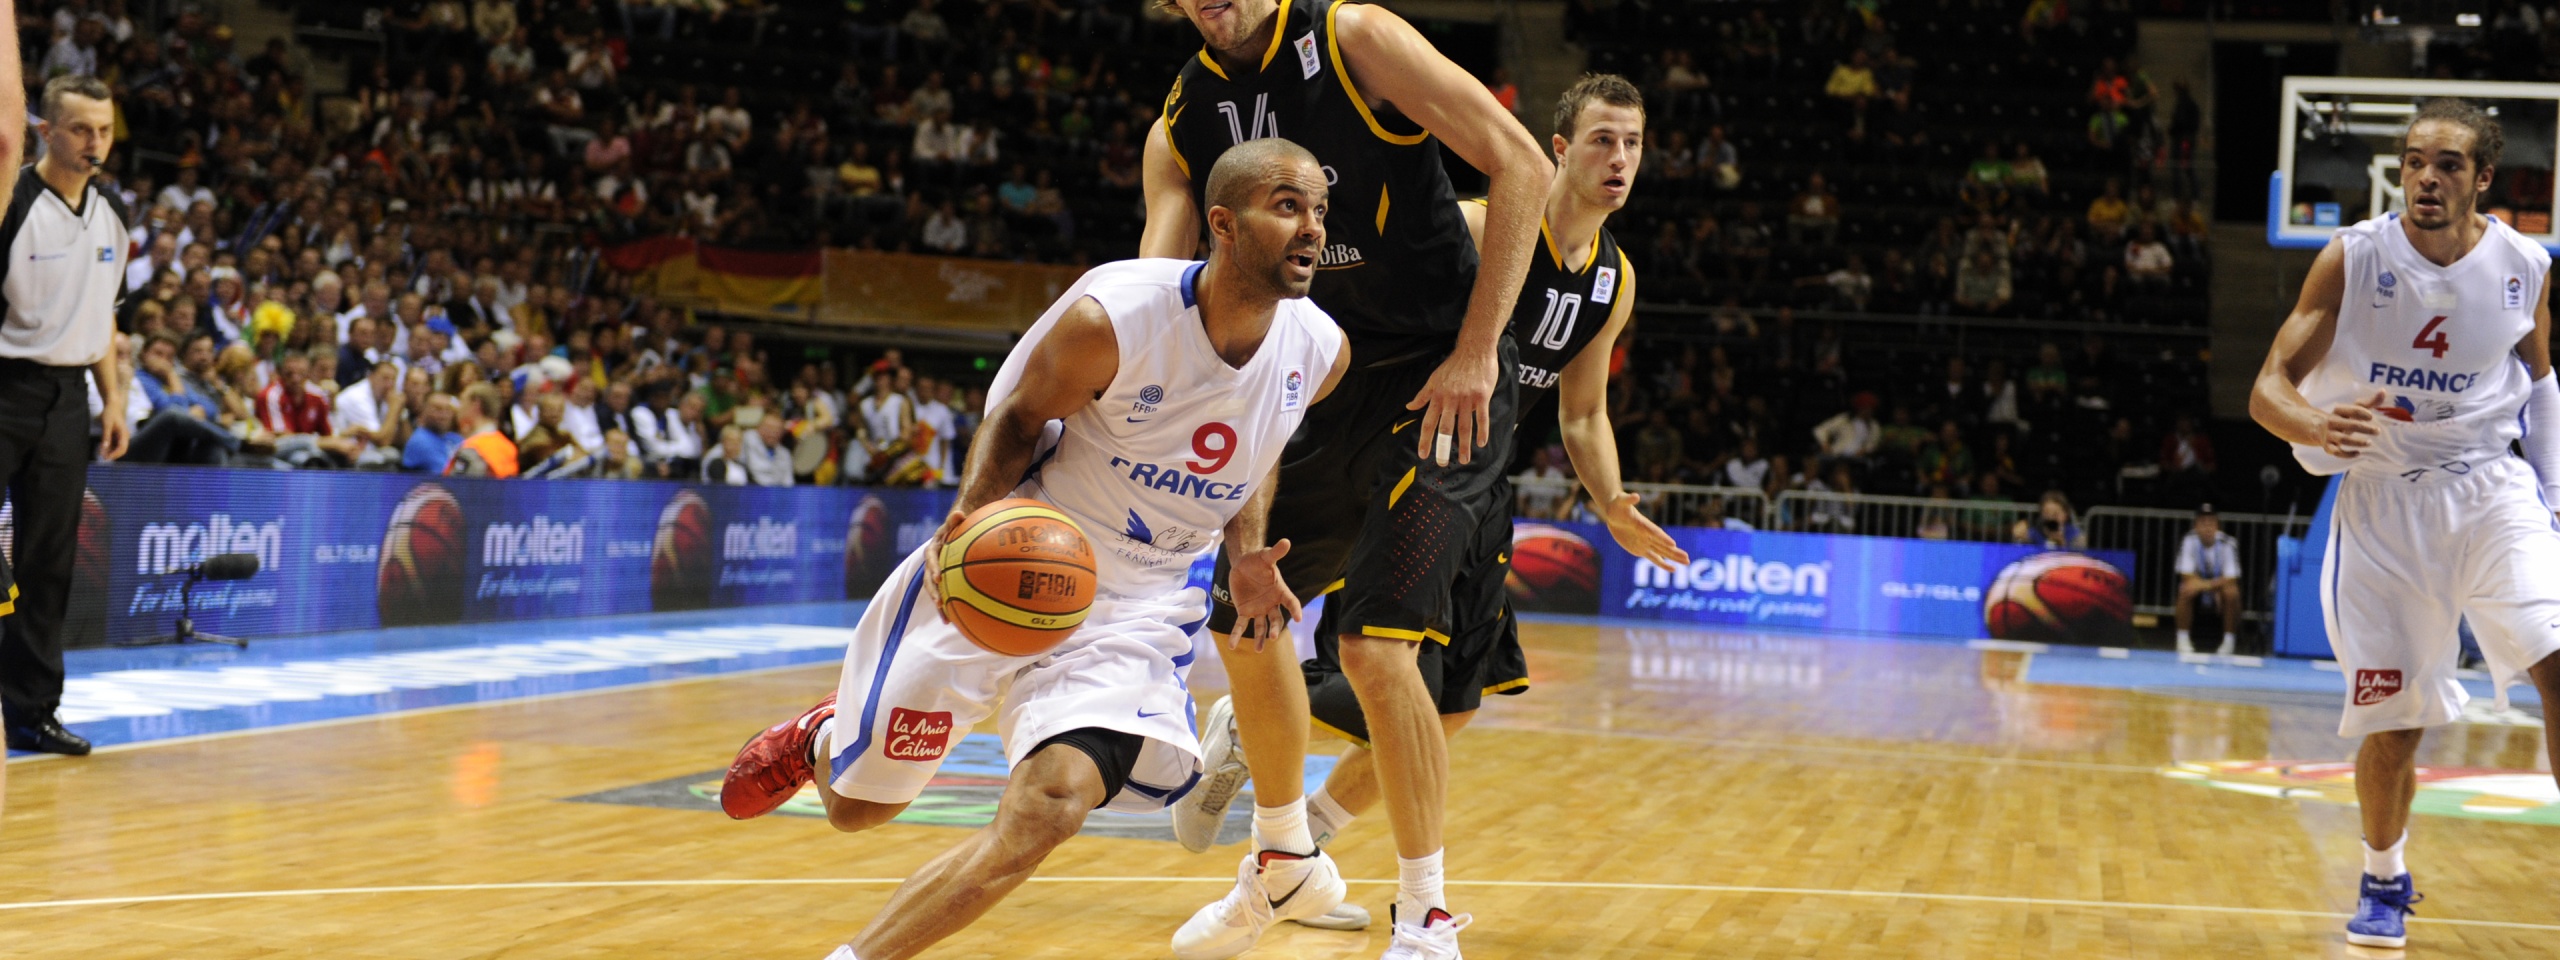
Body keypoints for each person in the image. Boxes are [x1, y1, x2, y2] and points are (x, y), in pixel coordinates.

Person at [717, 139, 1350, 960]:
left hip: (1139, 605)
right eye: (1288, 206)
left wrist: (1249, 553)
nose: (1311, 229)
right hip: (1019, 552)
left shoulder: (1320, 351)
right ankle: (820, 741)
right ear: (1224, 225)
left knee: (1050, 808)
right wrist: (966, 527)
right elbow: (1017, 420)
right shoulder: (1114, 320)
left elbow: (1256, 452)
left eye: (1320, 211)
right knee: (856, 807)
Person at [1229, 78, 1688, 942]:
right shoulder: (1480, 229)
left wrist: (1614, 499)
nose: (1618, 159)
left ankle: (1300, 848)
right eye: (1600, 140)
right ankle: (1333, 835)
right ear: (1558, 148)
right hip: (1402, 466)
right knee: (1379, 660)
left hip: (1482, 486)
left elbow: (1583, 413)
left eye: (1631, 143)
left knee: (1452, 711)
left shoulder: (1615, 280)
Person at [1146, 1, 1547, 953]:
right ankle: (1285, 865)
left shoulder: (1353, 34)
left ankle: (1426, 915)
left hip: (1442, 372)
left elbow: (1523, 162)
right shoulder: (1181, 119)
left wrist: (1477, 350)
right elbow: (1152, 282)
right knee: (1246, 616)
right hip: (1314, 375)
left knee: (1375, 650)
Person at [2246, 97, 2560, 949]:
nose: (2427, 176)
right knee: (2394, 725)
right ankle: (2384, 879)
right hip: (2384, 499)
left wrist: (2553, 499)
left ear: (2482, 179)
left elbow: (2541, 382)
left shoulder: (2523, 264)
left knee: (2559, 659)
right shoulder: (2351, 258)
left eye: (2448, 163)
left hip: (2491, 487)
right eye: (2415, 160)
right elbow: (2267, 387)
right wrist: (2313, 426)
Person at [0, 74, 118, 757]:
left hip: (69, 396)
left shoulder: (112, 214)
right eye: (81, 129)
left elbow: (103, 312)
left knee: (48, 564)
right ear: (47, 130)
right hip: (4, 386)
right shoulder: (11, 201)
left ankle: (31, 712)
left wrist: (115, 400)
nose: (95, 142)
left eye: (104, 130)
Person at [2174, 505, 2241, 656]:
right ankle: (2182, 639)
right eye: (2203, 523)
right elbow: (2186, 574)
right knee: (2186, 588)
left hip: (2217, 589)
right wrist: (2207, 586)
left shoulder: (2228, 543)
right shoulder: (2189, 541)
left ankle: (2229, 641)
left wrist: (2208, 586)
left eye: (2211, 523)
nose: (2207, 527)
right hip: (2199, 590)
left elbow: (2231, 578)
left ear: (2217, 526)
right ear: (2196, 526)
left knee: (2232, 592)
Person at [448, 383, 518, 478]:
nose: (459, 408)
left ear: (475, 404)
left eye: (462, 401)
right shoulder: (507, 447)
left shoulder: (473, 448)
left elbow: (456, 487)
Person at [403, 392, 464, 473]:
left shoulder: (455, 438)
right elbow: (448, 475)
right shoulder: (421, 441)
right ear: (424, 411)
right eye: (438, 409)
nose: (444, 415)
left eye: (448, 409)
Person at [2011, 490, 2085, 548]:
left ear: (2065, 515)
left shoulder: (2076, 537)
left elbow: (2078, 560)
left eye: (2055, 514)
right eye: (2047, 513)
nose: (2051, 518)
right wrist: (2020, 537)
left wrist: (2062, 545)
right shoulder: (2034, 534)